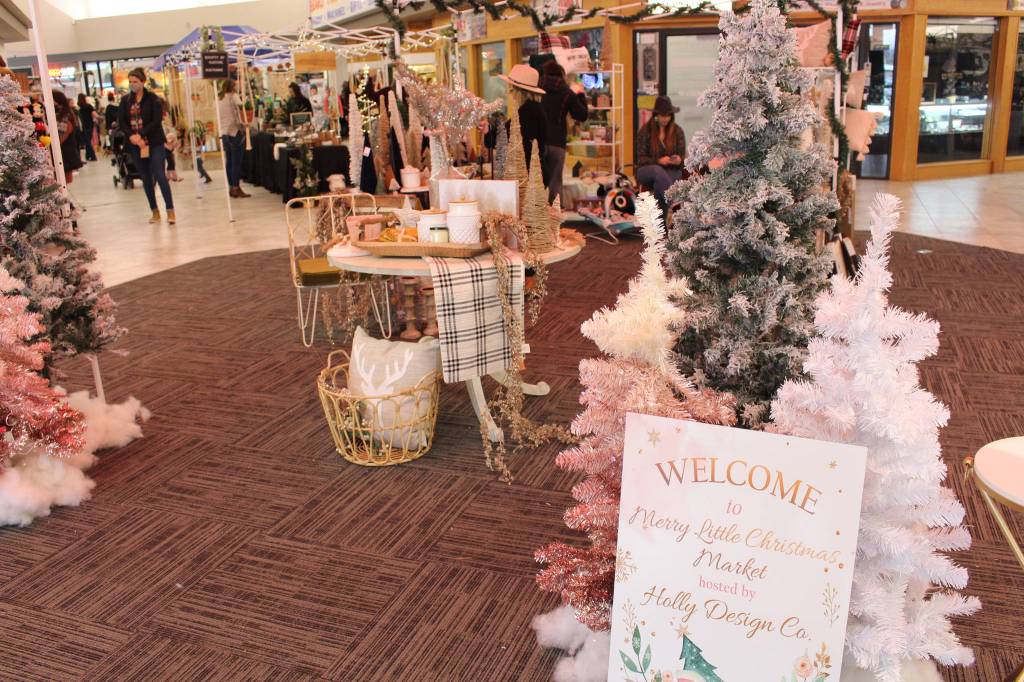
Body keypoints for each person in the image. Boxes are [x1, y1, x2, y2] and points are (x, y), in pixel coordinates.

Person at [118, 67, 175, 224]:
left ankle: (170, 210)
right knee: (146, 178)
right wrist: (132, 136)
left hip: (154, 142)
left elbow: (156, 121)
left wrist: (141, 135)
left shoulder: (153, 99)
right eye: (130, 82)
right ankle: (154, 211)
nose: (132, 84)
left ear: (143, 82)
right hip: (135, 145)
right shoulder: (125, 101)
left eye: (135, 82)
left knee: (160, 175)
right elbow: (122, 122)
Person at [540, 61, 588, 204]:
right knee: (555, 182)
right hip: (557, 142)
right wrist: (580, 95)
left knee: (536, 181)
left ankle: (537, 217)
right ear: (561, 75)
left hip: (538, 141)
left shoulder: (536, 89)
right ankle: (555, 219)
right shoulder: (567, 93)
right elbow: (581, 115)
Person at [635, 96, 687, 211]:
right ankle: (672, 199)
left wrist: (679, 160)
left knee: (662, 183)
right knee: (657, 171)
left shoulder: (677, 131)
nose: (665, 118)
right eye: (663, 115)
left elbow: (682, 158)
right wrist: (658, 161)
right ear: (656, 115)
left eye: (668, 115)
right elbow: (640, 159)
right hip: (647, 171)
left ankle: (661, 225)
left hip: (671, 170)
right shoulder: (645, 131)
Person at [498, 64, 548, 175]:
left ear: (519, 92)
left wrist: (490, 132)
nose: (510, 95)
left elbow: (508, 135)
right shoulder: (535, 108)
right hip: (536, 171)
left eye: (511, 90)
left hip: (528, 174)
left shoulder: (527, 112)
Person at [218, 78, 250, 198]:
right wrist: (244, 123)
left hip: (224, 133)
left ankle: (232, 187)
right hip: (235, 132)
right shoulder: (233, 96)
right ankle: (236, 187)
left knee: (229, 161)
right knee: (236, 162)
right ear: (232, 87)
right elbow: (242, 108)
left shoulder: (219, 98)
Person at [52, 90, 83, 184]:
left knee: (64, 181)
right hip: (68, 150)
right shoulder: (66, 112)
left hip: (65, 152)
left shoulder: (63, 114)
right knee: (65, 181)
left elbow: (62, 134)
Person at [77, 93, 97, 161]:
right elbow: (94, 115)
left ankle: (87, 156)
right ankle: (92, 156)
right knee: (88, 141)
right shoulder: (89, 106)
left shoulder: (79, 108)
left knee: (87, 141)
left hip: (83, 126)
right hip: (89, 125)